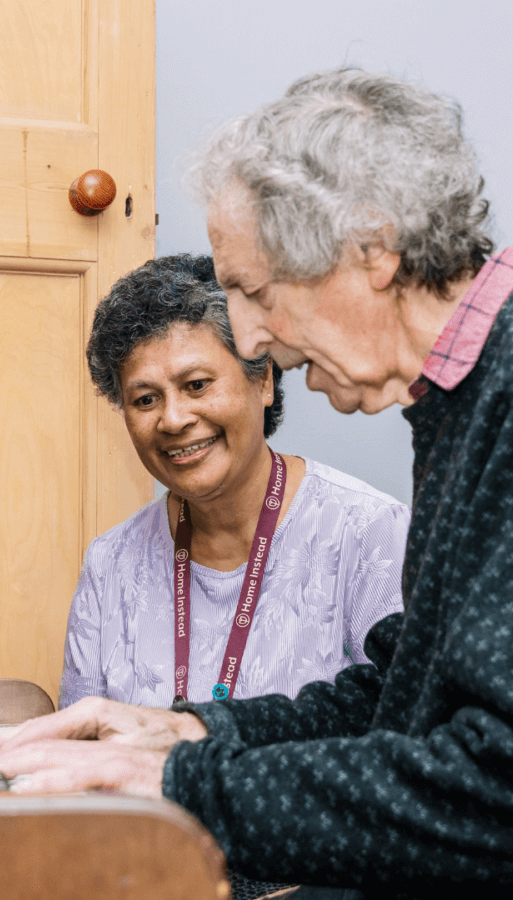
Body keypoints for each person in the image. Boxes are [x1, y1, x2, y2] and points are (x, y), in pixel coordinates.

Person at [0, 70, 513, 900]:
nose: (253, 338)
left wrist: (188, 787)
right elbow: (404, 691)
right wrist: (187, 732)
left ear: (373, 249)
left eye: (255, 293)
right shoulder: (478, 392)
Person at [60, 253, 409, 712]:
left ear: (263, 380)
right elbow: (81, 751)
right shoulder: (110, 565)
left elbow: (406, 733)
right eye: (145, 399)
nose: (174, 418)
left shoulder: (371, 534)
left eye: (197, 385)